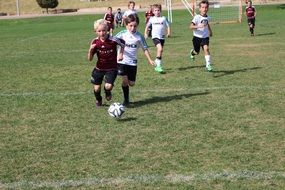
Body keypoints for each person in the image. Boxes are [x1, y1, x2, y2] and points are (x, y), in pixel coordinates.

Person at [115, 14, 155, 107]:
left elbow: (145, 48)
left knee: (131, 83)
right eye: (130, 26)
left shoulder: (139, 36)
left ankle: (127, 97)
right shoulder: (122, 34)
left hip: (132, 62)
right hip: (121, 61)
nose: (132, 28)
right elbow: (113, 41)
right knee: (124, 81)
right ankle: (126, 100)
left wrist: (150, 60)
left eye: (135, 26)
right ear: (126, 25)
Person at [88, 19, 125, 107]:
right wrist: (90, 50)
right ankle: (98, 99)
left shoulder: (113, 40)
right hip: (99, 68)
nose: (102, 33)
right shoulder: (95, 42)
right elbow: (90, 59)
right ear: (96, 31)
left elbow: (123, 43)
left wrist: (120, 53)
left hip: (112, 68)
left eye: (104, 30)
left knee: (108, 86)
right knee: (96, 89)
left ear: (107, 29)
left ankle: (107, 92)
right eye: (99, 31)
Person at [144, 4, 171, 74]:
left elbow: (168, 26)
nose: (157, 12)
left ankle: (157, 62)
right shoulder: (152, 19)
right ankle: (158, 66)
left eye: (158, 10)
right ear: (153, 11)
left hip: (162, 37)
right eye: (155, 10)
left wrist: (168, 33)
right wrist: (145, 33)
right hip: (155, 37)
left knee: (160, 51)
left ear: (160, 11)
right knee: (160, 49)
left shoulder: (164, 18)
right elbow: (147, 26)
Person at [189, 0, 213, 72]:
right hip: (197, 38)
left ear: (208, 8)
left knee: (206, 49)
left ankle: (208, 65)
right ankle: (192, 52)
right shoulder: (197, 17)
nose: (204, 9)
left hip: (205, 37)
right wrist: (198, 26)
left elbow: (207, 24)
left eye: (206, 7)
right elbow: (190, 27)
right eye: (202, 7)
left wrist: (210, 31)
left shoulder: (208, 17)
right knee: (197, 52)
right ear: (199, 8)